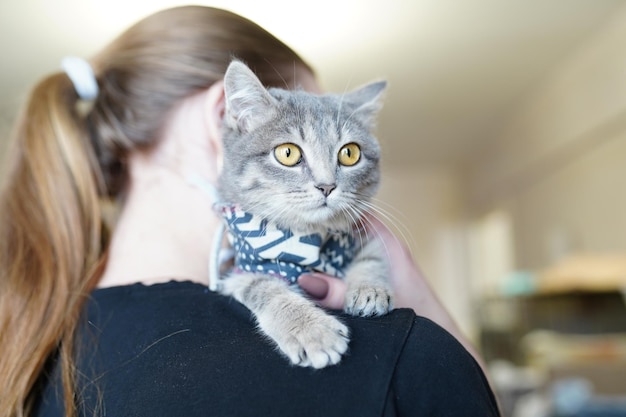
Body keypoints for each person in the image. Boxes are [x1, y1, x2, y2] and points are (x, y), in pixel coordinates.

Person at [0, 6, 499, 416]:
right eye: (290, 152)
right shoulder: (402, 358)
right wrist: (429, 318)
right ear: (230, 115)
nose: (327, 182)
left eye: (345, 153)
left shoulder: (30, 344)